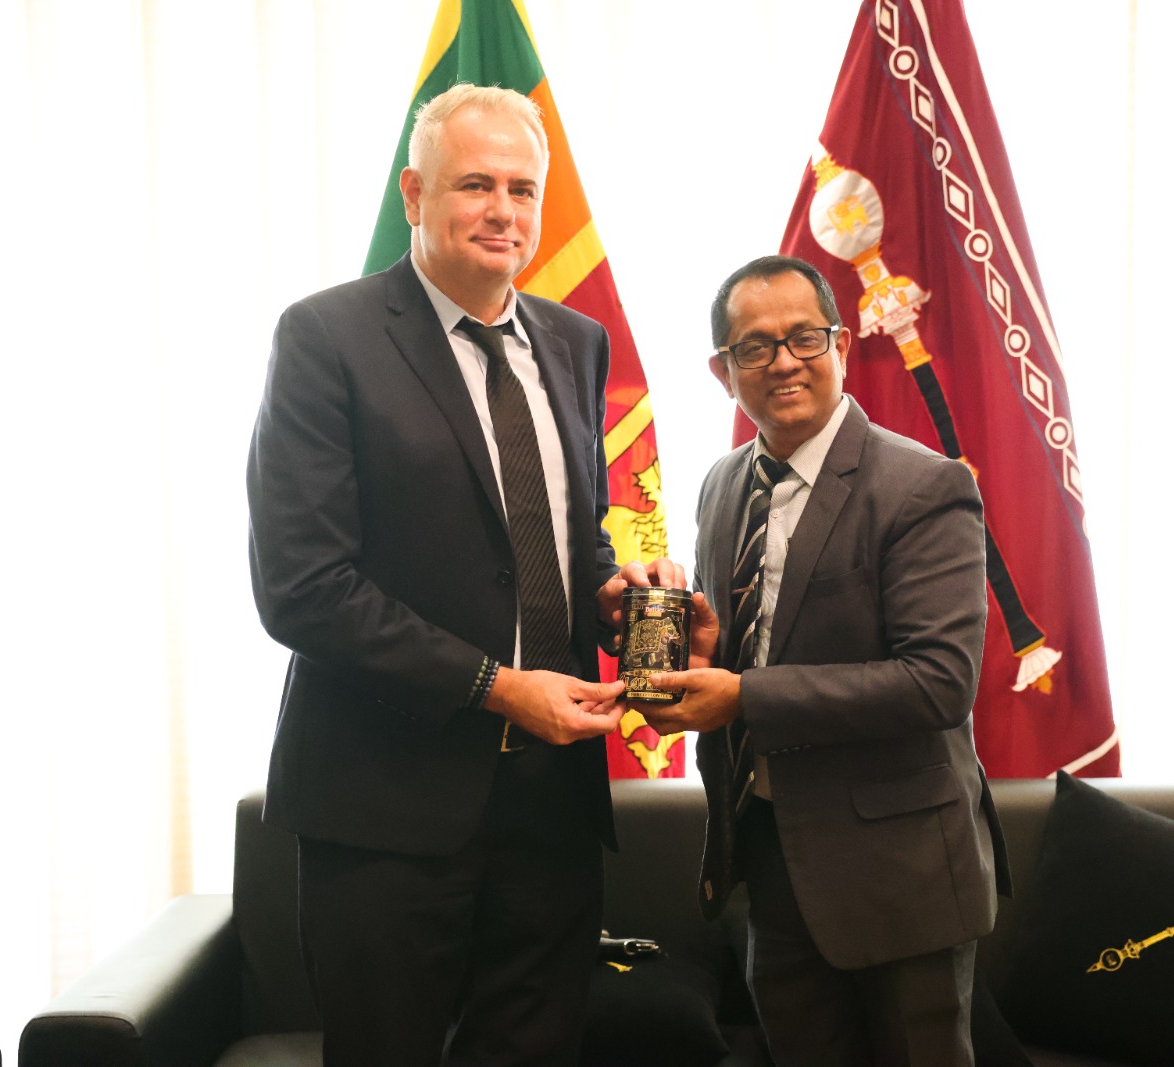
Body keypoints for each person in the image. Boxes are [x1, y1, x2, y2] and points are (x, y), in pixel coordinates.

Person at [246, 83, 678, 1066]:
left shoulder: (574, 342)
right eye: (475, 184)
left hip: (553, 806)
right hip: (384, 806)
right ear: (414, 192)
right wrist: (497, 686)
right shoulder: (326, 338)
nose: (503, 211)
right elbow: (303, 587)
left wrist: (615, 596)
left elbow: (565, 542)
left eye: (522, 190)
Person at [646, 255, 1010, 1067]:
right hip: (774, 856)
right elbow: (755, 648)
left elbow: (939, 682)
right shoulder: (721, 485)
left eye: (804, 337)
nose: (783, 361)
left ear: (842, 344)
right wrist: (704, 654)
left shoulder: (922, 485)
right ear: (722, 371)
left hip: (902, 871)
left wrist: (743, 694)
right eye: (755, 346)